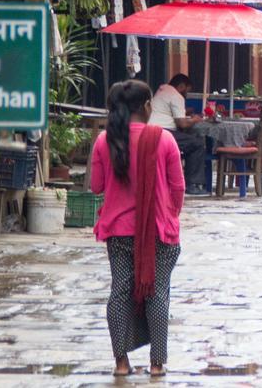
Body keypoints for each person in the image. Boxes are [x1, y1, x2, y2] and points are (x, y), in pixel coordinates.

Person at [89, 80, 185, 378]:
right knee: (157, 294)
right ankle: (157, 364)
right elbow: (178, 187)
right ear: (146, 107)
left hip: (118, 231)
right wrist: (169, 216)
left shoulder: (105, 141)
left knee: (119, 292)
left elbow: (96, 187)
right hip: (158, 232)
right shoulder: (164, 140)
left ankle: (121, 363)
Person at [147, 74, 209, 196]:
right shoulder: (176, 95)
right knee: (197, 145)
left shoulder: (162, 90)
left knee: (190, 141)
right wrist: (195, 120)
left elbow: (167, 112)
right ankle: (192, 184)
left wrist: (186, 112)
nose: (186, 94)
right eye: (187, 90)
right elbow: (182, 124)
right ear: (181, 86)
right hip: (164, 132)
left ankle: (180, 177)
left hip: (150, 131)